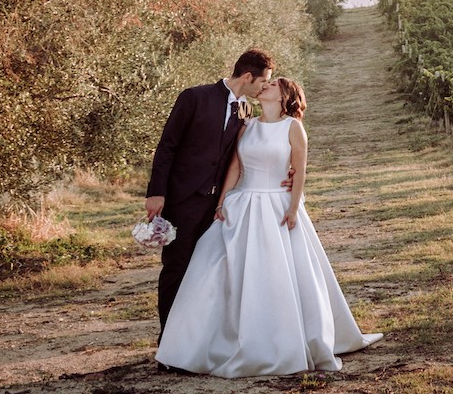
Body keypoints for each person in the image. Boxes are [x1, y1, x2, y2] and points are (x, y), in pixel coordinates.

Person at [154, 77, 382, 377]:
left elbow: (299, 170)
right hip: (243, 203)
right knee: (214, 267)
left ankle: (286, 339)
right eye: (265, 82)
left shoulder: (293, 127)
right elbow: (235, 167)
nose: (265, 87)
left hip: (277, 206)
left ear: (285, 95)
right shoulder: (247, 125)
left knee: (280, 272)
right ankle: (204, 341)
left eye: (272, 84)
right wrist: (222, 203)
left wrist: (293, 206)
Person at [145, 48, 279, 343]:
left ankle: (199, 338)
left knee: (207, 271)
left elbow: (244, 157)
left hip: (218, 206)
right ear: (247, 76)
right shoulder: (194, 97)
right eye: (262, 81)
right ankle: (169, 341)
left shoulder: (247, 111)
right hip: (182, 200)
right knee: (176, 268)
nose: (264, 87)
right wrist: (156, 193)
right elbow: (167, 146)